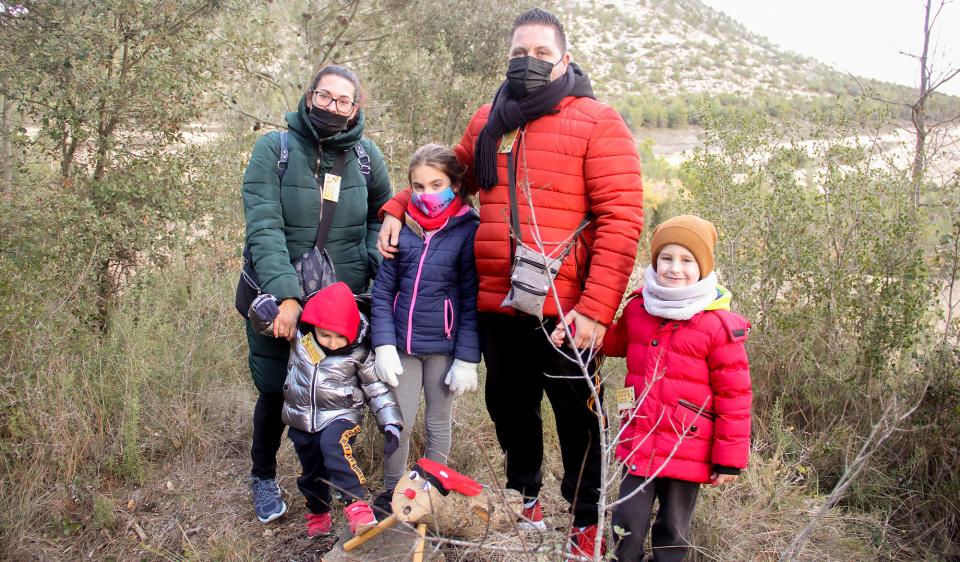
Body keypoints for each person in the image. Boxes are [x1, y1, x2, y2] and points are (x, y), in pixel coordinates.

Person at [377, 8, 644, 557]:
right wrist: (398, 205)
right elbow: (448, 181)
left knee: (576, 416)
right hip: (499, 303)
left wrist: (596, 309)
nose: (529, 62)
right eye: (520, 53)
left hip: (567, 310)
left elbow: (622, 219)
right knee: (508, 405)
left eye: (541, 53)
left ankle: (586, 516)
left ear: (564, 59)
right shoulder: (488, 121)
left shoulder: (599, 121)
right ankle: (526, 493)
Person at [241, 65, 392, 523]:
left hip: (339, 308)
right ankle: (263, 476)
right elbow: (264, 225)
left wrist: (368, 263)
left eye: (343, 101)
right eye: (325, 97)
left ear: (355, 109)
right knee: (274, 390)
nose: (333, 107)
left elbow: (381, 216)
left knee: (333, 394)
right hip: (278, 298)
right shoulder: (276, 149)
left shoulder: (366, 158)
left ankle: (327, 494)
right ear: (309, 97)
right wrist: (286, 295)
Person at [555, 215, 751, 562]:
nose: (675, 268)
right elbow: (613, 342)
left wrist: (729, 459)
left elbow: (735, 395)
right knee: (626, 521)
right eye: (667, 258)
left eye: (687, 260)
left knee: (672, 530)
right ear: (655, 261)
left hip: (686, 444)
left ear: (702, 267)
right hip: (640, 439)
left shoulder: (716, 325)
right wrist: (578, 327)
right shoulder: (638, 308)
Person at [368, 144, 481, 515]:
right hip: (402, 343)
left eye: (436, 184)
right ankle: (390, 493)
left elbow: (469, 299)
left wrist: (466, 359)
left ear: (454, 183)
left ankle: (433, 490)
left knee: (437, 421)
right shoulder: (401, 226)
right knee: (397, 420)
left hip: (444, 346)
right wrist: (383, 343)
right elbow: (383, 291)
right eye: (418, 186)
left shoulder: (467, 229)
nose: (427, 193)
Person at [249, 282, 403, 537]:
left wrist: (390, 423)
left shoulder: (361, 352)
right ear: (314, 326)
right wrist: (261, 308)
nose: (332, 343)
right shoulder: (301, 336)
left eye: (340, 336)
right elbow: (265, 324)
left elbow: (377, 389)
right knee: (311, 472)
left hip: (342, 416)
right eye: (326, 336)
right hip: (301, 419)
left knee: (335, 447)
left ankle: (357, 506)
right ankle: (318, 512)